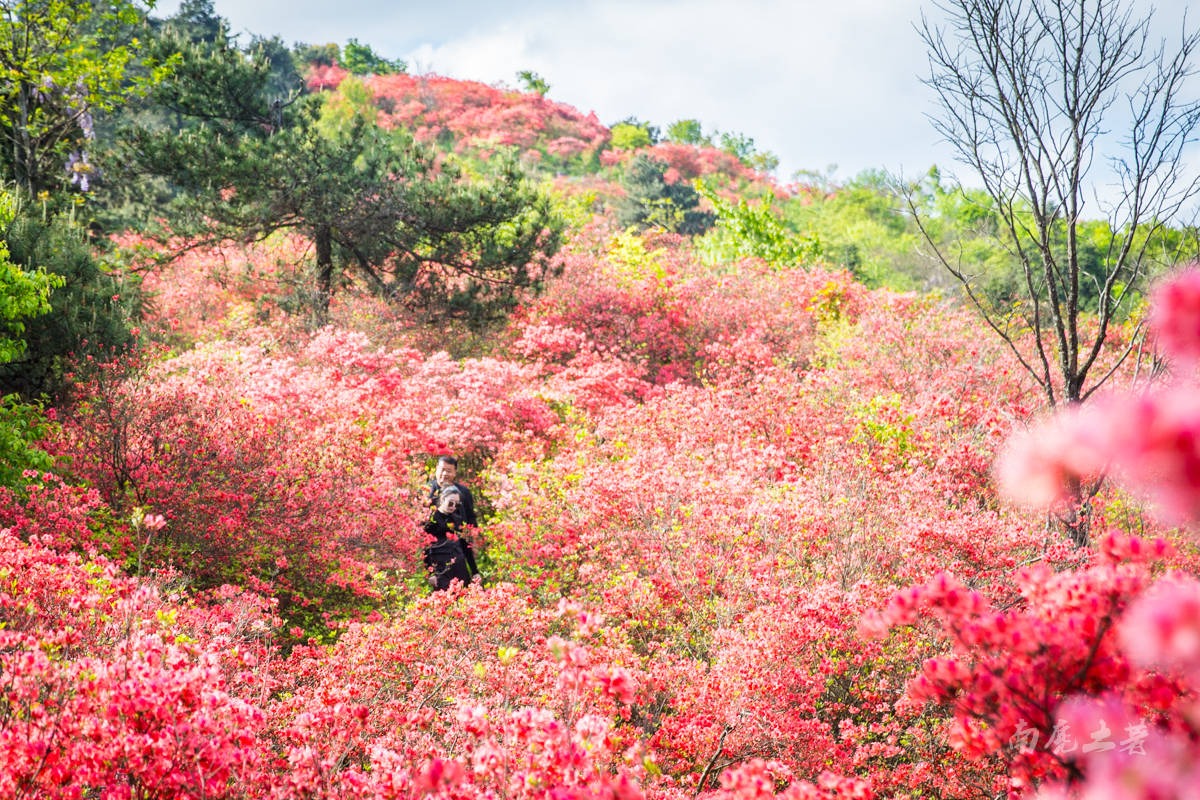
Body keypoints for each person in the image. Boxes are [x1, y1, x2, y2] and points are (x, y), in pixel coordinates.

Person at [423, 485, 479, 591]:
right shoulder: (431, 519)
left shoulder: (457, 519)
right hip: (441, 567)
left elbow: (466, 547)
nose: (453, 507)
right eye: (450, 503)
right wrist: (431, 572)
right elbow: (426, 548)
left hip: (459, 565)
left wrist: (474, 571)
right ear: (443, 499)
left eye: (457, 505)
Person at [427, 455, 478, 528]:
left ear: (455, 472)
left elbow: (470, 518)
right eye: (442, 470)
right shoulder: (426, 490)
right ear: (436, 469)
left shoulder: (464, 492)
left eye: (449, 471)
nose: (445, 474)